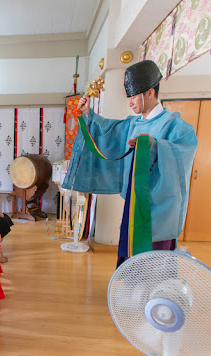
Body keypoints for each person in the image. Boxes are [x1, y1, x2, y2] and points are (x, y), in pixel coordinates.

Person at [63, 60, 198, 266]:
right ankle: (130, 291)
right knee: (131, 253)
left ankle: (152, 294)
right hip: (133, 202)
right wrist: (89, 114)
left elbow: (183, 153)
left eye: (134, 97)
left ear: (150, 93)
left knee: (153, 255)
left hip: (159, 206)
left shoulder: (174, 125)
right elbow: (108, 131)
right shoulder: (133, 124)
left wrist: (154, 145)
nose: (130, 103)